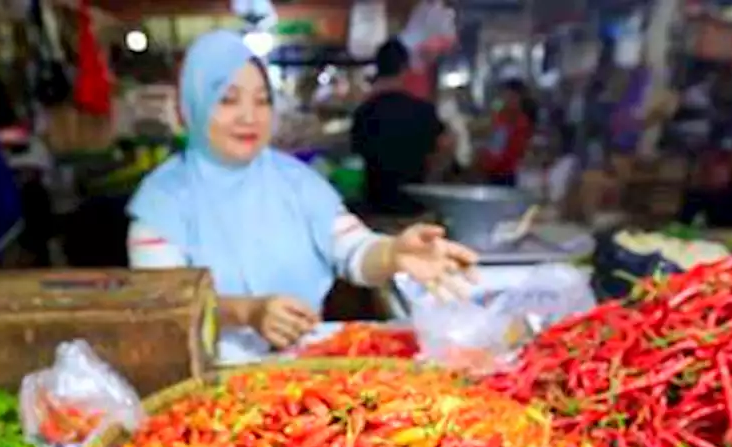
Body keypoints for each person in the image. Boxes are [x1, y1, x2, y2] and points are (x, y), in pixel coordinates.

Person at [128, 31, 476, 355]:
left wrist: (392, 254)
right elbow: (165, 307)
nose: (249, 116)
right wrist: (246, 312)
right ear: (192, 107)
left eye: (263, 101)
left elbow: (353, 249)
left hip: (301, 380)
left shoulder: (296, 181)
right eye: (228, 100)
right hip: (207, 384)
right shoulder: (162, 202)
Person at [351, 39, 453, 214]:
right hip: (416, 208)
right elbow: (447, 144)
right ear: (405, 69)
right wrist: (433, 176)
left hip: (376, 209)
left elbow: (356, 156)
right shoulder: (423, 110)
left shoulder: (364, 113)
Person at [478, 79, 536, 186]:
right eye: (505, 96)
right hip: (491, 172)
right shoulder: (498, 118)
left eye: (512, 97)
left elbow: (520, 150)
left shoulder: (522, 123)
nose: (507, 99)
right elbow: (492, 144)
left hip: (509, 174)